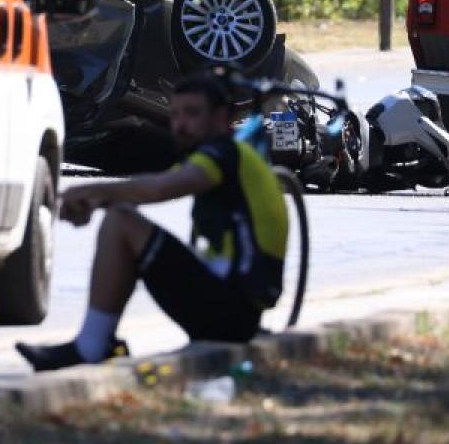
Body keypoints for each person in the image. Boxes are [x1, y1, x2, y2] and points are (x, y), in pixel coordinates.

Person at [15, 69, 286, 372]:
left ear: (222, 118)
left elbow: (159, 189)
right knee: (123, 219)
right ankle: (95, 344)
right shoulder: (232, 154)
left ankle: (91, 347)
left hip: (231, 313)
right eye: (175, 115)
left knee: (121, 223)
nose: (181, 125)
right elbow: (159, 183)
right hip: (237, 308)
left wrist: (90, 191)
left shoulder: (223, 154)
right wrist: (99, 198)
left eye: (193, 114)